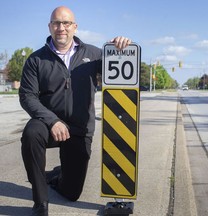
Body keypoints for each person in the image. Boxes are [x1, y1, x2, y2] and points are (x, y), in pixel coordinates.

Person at [19, 6, 131, 216]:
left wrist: (120, 48)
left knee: (71, 193)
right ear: (50, 26)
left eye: (66, 23)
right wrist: (53, 121)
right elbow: (27, 96)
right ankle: (40, 203)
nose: (61, 27)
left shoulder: (94, 54)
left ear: (75, 26)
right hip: (47, 124)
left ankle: (56, 176)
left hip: (79, 129)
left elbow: (123, 73)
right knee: (31, 134)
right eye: (56, 23)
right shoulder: (36, 59)